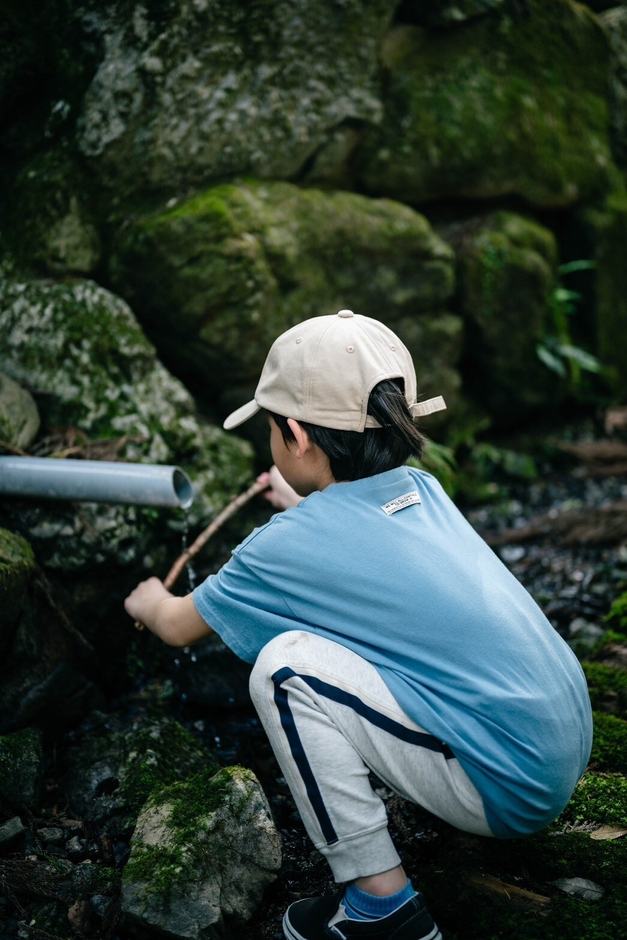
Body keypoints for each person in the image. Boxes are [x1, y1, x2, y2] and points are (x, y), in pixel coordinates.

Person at [125, 310, 592, 940]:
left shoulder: (282, 547)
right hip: (559, 742)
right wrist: (302, 500)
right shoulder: (421, 491)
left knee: (285, 665)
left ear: (294, 435)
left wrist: (147, 597)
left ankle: (382, 906)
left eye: (269, 427)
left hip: (510, 785)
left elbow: (178, 626)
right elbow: (356, 530)